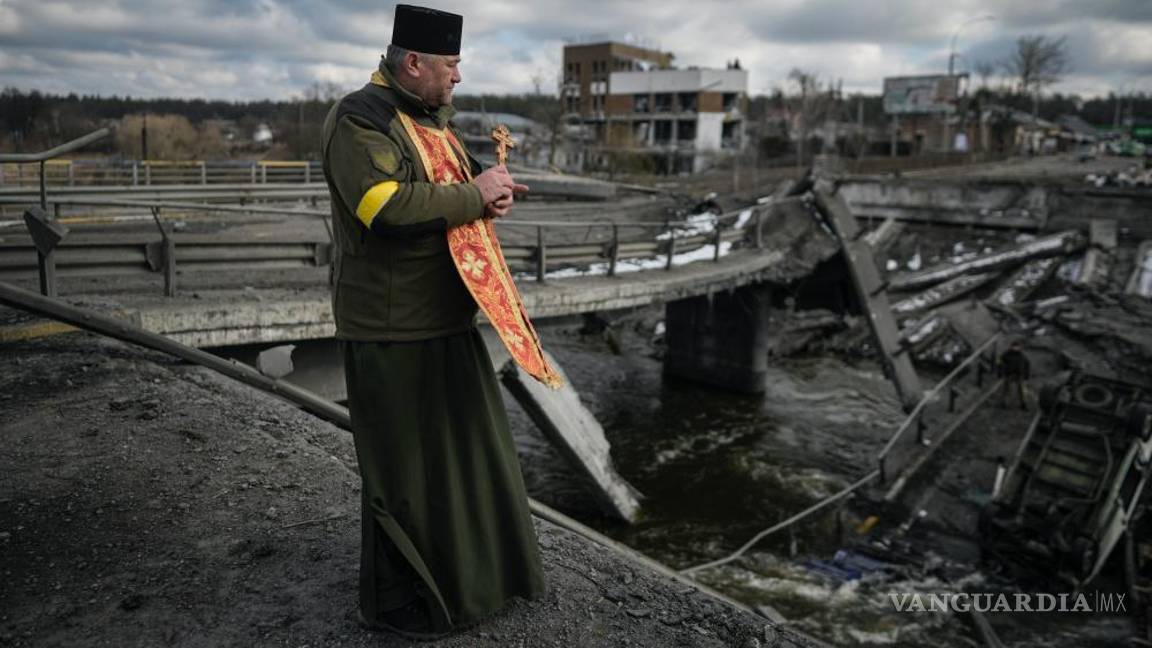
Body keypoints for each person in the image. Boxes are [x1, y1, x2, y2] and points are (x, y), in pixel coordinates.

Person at [320, 4, 545, 640]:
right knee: (407, 478)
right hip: (391, 328)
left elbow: (455, 188)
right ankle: (404, 605)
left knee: (463, 462)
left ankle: (471, 585)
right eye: (450, 65)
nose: (459, 77)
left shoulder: (434, 123)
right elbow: (384, 207)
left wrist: (490, 188)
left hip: (447, 320)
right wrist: (475, 195)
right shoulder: (358, 119)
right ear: (412, 63)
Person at [997, 341, 1031, 410]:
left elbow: (1027, 364)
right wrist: (1000, 370)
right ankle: (1005, 403)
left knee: (1022, 390)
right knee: (1007, 389)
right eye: (1014, 346)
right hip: (1009, 374)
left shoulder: (1022, 356)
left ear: (1019, 347)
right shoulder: (1006, 354)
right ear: (1011, 347)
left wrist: (1027, 375)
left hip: (1020, 375)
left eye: (1017, 347)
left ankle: (1024, 404)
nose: (1015, 348)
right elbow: (999, 360)